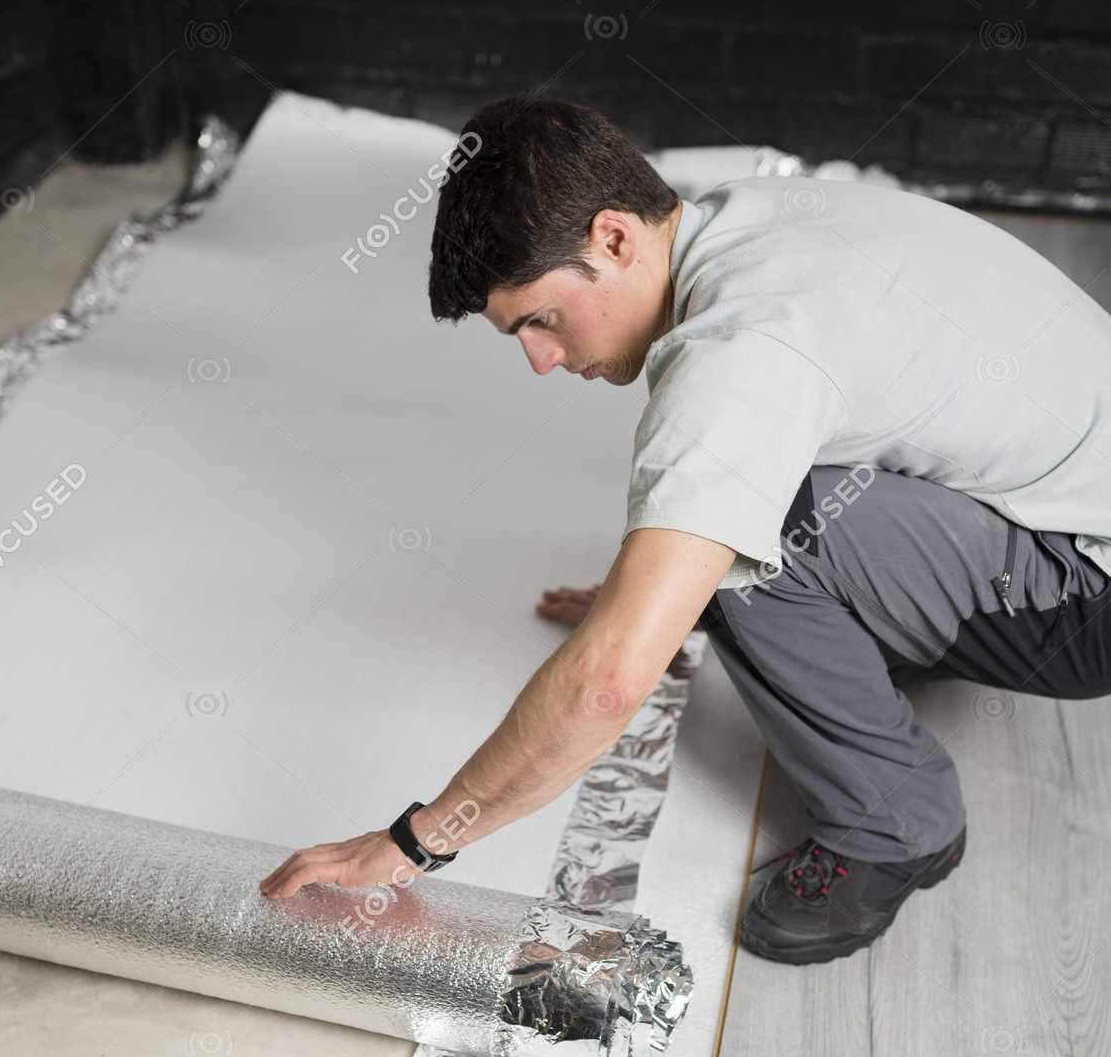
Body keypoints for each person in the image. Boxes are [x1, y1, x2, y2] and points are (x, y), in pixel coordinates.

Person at [262, 93, 1111, 968]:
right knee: (733, 527)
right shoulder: (745, 217)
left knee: (766, 533)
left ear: (615, 238)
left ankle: (898, 825)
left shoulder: (737, 354)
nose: (541, 360)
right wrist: (661, 593)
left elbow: (605, 688)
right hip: (1073, 492)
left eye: (541, 320)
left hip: (1086, 590)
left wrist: (413, 842)